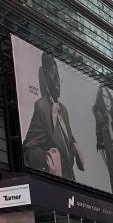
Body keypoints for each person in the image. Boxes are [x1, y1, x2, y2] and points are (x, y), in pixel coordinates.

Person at [22, 51, 84, 180]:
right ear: (45, 77)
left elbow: (68, 139)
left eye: (58, 77)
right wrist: (47, 157)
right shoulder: (41, 107)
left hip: (71, 180)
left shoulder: (64, 110)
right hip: (55, 182)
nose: (58, 83)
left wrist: (74, 146)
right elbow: (28, 149)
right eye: (52, 76)